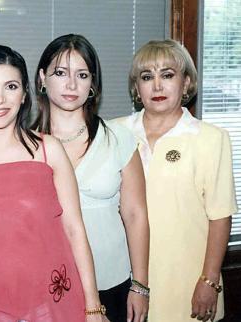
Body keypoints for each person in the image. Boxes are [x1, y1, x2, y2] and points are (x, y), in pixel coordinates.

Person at [0, 45, 110, 322]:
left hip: (56, 302)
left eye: (11, 86)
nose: (0, 99)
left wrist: (93, 307)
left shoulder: (48, 150)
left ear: (25, 93)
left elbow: (75, 229)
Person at [116, 39, 237, 322]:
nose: (157, 86)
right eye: (147, 77)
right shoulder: (114, 133)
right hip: (126, 283)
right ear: (137, 87)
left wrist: (209, 281)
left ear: (186, 83)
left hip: (188, 285)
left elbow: (220, 217)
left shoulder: (211, 138)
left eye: (167, 75)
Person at [33, 34, 150, 322]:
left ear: (92, 84)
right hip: (46, 286)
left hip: (112, 283)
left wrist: (140, 285)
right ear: (41, 79)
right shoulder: (23, 146)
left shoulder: (118, 138)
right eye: (60, 72)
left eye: (82, 74)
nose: (71, 84)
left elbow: (135, 215)